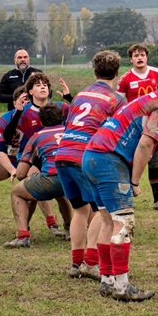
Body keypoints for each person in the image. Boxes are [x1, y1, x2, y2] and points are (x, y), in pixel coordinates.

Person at [83, 66, 158, 302]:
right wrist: (134, 181)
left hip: (91, 156)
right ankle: (122, 287)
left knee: (107, 222)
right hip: (109, 159)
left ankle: (107, 279)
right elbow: (145, 145)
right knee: (124, 223)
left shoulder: (149, 99)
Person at [56, 50, 126, 280]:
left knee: (79, 210)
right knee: (102, 211)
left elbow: (69, 124)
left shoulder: (80, 95)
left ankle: (76, 264)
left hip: (63, 152)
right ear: (117, 72)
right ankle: (90, 261)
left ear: (94, 70)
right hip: (85, 156)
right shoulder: (117, 99)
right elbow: (117, 134)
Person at [0, 86, 57, 228]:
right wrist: (12, 170)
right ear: (15, 103)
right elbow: (1, 151)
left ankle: (51, 224)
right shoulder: (4, 119)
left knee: (35, 184)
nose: (26, 104)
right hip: (8, 159)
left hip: (29, 161)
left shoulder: (39, 117)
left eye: (28, 101)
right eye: (22, 101)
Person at [2, 71, 72, 235]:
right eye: (38, 85)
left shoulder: (60, 107)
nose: (43, 87)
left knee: (60, 195)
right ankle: (44, 225)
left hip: (56, 158)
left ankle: (67, 228)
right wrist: (17, 111)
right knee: (36, 186)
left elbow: (82, 113)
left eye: (45, 84)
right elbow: (7, 137)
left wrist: (69, 97)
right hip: (31, 159)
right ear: (30, 92)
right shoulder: (23, 111)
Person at [4, 104, 70, 248]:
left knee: (17, 192)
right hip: (76, 177)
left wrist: (34, 160)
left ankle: (22, 236)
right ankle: (70, 230)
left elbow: (21, 173)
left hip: (51, 178)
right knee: (63, 193)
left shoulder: (37, 137)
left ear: (41, 121)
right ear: (62, 118)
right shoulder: (71, 131)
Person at [116, 43, 158, 211]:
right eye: (136, 55)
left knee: (154, 161)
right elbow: (118, 103)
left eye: (142, 55)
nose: (139, 58)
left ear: (147, 57)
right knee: (126, 162)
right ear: (130, 59)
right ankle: (124, 196)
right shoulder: (125, 79)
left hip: (154, 124)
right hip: (133, 128)